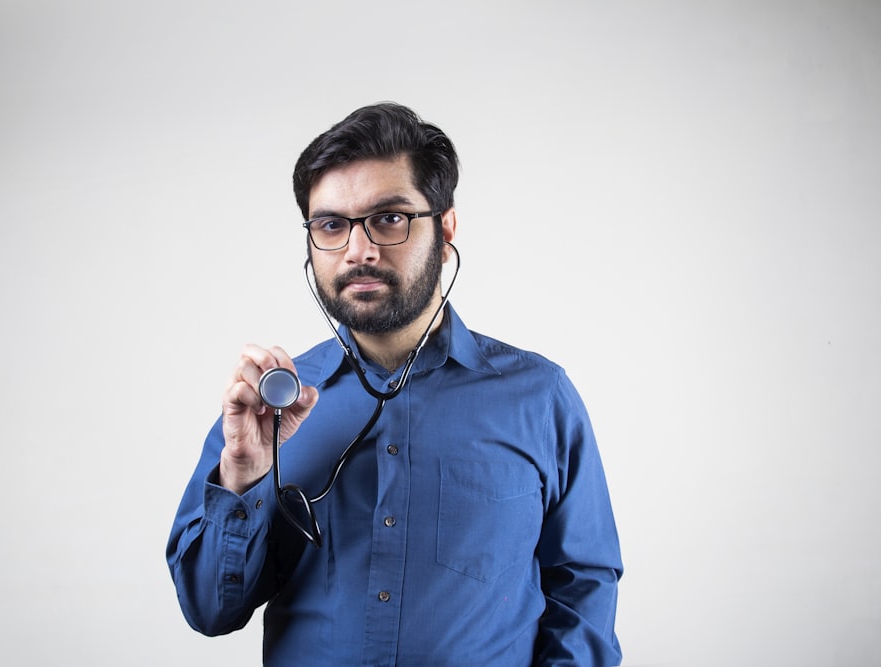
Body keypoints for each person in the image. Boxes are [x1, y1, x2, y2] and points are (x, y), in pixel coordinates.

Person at [166, 102, 623, 666]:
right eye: (331, 225)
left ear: (446, 227)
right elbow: (210, 611)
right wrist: (242, 476)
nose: (359, 250)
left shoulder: (539, 397)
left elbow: (581, 585)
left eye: (389, 218)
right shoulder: (265, 409)